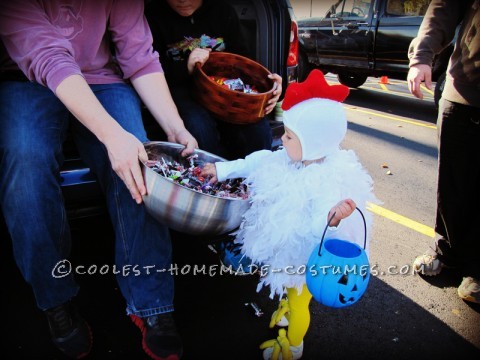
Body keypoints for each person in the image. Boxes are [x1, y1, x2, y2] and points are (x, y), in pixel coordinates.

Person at [0, 1, 198, 359]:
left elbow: (139, 54)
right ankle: (55, 299)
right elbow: (47, 55)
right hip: (26, 78)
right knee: (25, 170)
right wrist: (111, 135)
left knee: (140, 165)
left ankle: (151, 302)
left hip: (101, 79)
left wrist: (175, 127)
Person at [200, 69, 377, 359]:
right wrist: (221, 170)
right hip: (288, 250)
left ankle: (293, 345)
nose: (282, 139)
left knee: (299, 303)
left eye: (290, 136)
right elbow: (255, 162)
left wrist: (332, 219)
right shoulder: (292, 157)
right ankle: (285, 306)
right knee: (286, 289)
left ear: (314, 143)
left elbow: (320, 227)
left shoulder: (325, 182)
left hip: (306, 258)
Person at [144, 0, 283, 161]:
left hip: (224, 90)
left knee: (257, 129)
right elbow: (150, 74)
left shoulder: (223, 11)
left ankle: (257, 177)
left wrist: (270, 85)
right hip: (181, 89)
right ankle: (211, 177)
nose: (182, 0)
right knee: (198, 126)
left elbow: (244, 61)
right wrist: (185, 67)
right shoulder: (153, 16)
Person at [407, 0, 480, 304]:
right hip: (463, 87)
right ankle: (446, 251)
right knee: (451, 182)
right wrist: (422, 55)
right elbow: (445, 5)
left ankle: (477, 268)